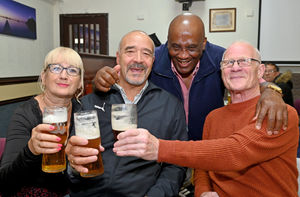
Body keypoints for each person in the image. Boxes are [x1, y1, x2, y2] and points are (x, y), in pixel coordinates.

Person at [113, 41, 299, 197]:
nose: (235, 68)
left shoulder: (280, 113)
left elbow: (234, 152)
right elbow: (202, 167)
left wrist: (159, 148)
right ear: (221, 71)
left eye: (244, 61)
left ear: (260, 71)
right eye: (228, 63)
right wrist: (203, 191)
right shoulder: (213, 117)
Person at [94, 13, 287, 140]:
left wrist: (271, 91)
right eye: (176, 47)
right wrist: (100, 80)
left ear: (203, 43)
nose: (184, 55)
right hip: (165, 151)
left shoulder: (220, 57)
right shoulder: (152, 58)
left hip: (209, 147)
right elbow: (123, 78)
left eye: (192, 48)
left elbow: (252, 77)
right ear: (168, 43)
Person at [65, 30, 188, 197]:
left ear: (152, 61)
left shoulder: (170, 105)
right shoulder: (89, 102)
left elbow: (176, 165)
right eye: (130, 51)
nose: (138, 59)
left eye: (146, 53)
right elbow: (74, 160)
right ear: (118, 57)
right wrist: (73, 166)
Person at [0, 47, 84, 196]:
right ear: (44, 77)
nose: (64, 75)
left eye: (72, 70)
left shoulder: (84, 112)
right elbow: (5, 181)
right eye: (56, 68)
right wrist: (31, 150)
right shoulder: (25, 113)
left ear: (80, 83)